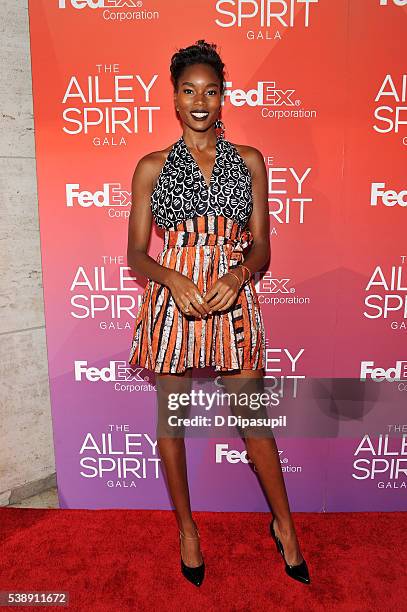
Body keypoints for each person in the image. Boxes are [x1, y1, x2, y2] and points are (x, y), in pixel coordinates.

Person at [127, 39, 310, 587]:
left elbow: (262, 249)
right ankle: (187, 531)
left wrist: (237, 275)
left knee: (255, 425)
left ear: (223, 97)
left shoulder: (250, 161)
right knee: (173, 424)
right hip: (174, 302)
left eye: (210, 90)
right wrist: (174, 277)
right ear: (175, 99)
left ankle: (286, 529)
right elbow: (136, 253)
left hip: (233, 303)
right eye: (189, 91)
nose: (200, 100)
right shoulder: (151, 166)